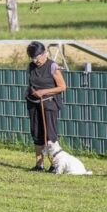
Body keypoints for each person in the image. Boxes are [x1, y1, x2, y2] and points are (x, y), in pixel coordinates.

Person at [25, 41, 66, 172]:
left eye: (37, 57)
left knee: (50, 134)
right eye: (33, 58)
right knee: (36, 133)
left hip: (49, 103)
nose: (35, 60)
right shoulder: (31, 66)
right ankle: (39, 164)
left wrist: (43, 92)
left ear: (44, 53)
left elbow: (62, 87)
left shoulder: (52, 66)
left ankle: (54, 164)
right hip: (34, 102)